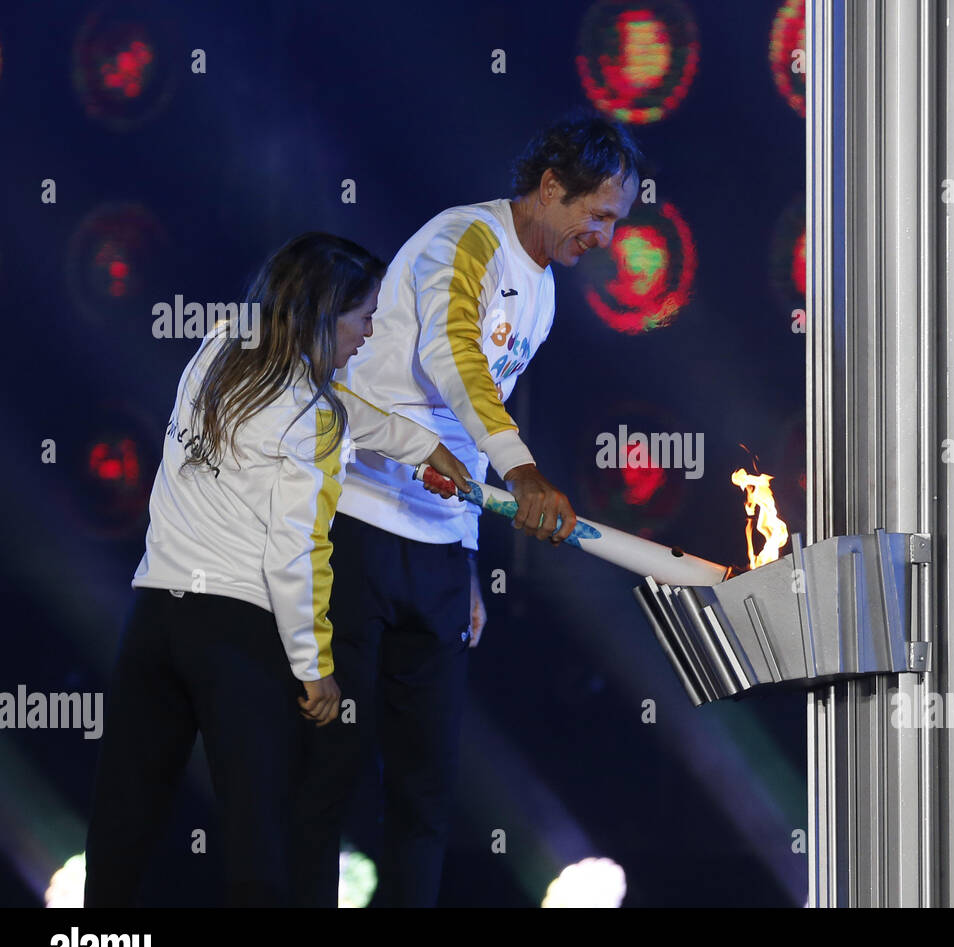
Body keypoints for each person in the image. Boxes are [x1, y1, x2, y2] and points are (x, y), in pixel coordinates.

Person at [293, 109, 646, 907]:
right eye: (599, 216)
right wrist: (526, 472)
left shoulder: (545, 297)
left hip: (439, 555)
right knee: (327, 770)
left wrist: (469, 562)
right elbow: (451, 356)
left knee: (426, 792)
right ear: (552, 187)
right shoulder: (464, 240)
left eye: (615, 223)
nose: (605, 238)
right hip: (358, 527)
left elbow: (472, 435)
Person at [83, 232, 469, 906]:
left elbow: (348, 410)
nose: (371, 333)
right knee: (258, 840)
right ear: (323, 314)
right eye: (363, 317)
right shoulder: (310, 419)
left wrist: (423, 445)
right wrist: (314, 668)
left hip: (152, 619)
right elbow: (292, 556)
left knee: (123, 824)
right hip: (234, 636)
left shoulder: (221, 345)